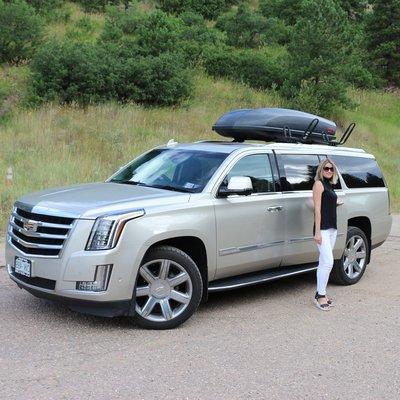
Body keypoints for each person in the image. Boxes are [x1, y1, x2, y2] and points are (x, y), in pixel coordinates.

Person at [312, 158, 342, 310]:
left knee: (323, 262)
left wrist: (336, 202)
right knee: (329, 262)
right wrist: (317, 232)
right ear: (321, 170)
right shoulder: (318, 184)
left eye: (331, 169)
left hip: (332, 228)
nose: (329, 171)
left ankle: (320, 293)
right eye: (326, 168)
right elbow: (317, 208)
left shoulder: (330, 185)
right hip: (322, 229)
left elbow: (327, 202)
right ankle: (320, 296)